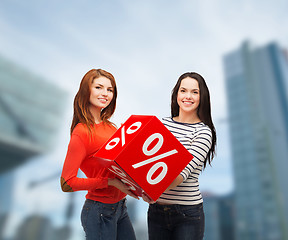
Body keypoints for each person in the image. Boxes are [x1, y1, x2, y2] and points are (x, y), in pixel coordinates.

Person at [60, 69, 138, 240]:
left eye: (110, 90)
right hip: (99, 211)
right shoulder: (81, 133)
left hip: (120, 208)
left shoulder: (112, 128)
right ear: (86, 91)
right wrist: (110, 182)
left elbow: (121, 166)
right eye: (99, 87)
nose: (105, 94)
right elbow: (67, 183)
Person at [144, 72, 217, 240]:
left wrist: (148, 188)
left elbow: (180, 175)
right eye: (183, 90)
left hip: (187, 214)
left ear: (202, 97)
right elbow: (145, 162)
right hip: (156, 212)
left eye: (195, 92)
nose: (188, 96)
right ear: (176, 94)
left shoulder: (203, 132)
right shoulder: (162, 124)